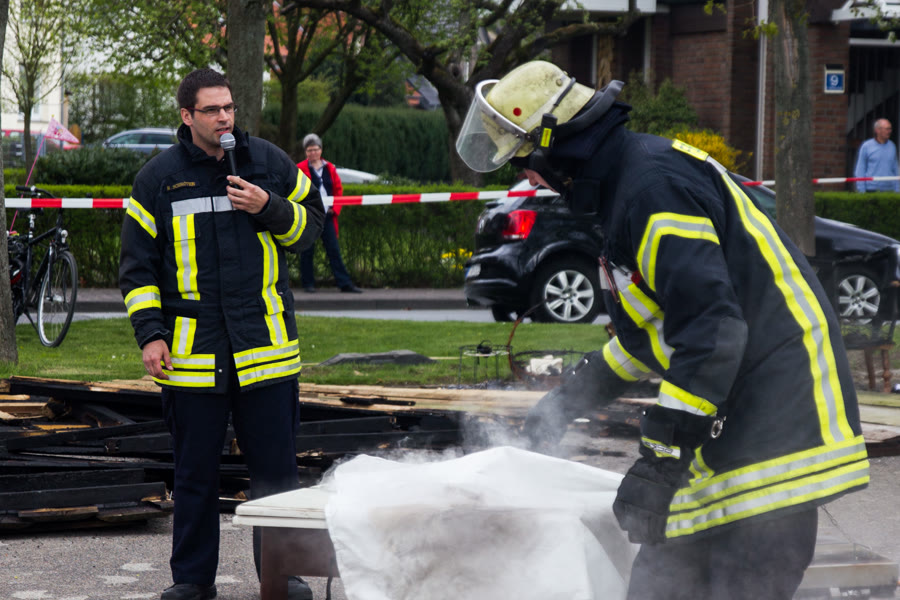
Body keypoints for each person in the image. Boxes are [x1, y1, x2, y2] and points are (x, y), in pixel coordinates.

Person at [456, 60, 870, 600]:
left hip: (775, 428)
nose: (527, 178)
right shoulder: (627, 185)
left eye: (524, 162)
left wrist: (660, 461)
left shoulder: (652, 189)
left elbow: (711, 331)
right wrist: (566, 400)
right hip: (737, 411)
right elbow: (655, 331)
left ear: (555, 146)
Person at [119, 68, 325, 600]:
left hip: (266, 349)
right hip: (193, 354)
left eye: (229, 107)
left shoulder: (270, 163)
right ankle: (192, 581)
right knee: (194, 474)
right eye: (212, 110)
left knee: (276, 476)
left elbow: (313, 228)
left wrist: (269, 207)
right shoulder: (158, 179)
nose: (225, 118)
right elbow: (138, 269)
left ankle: (282, 576)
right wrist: (150, 334)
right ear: (187, 116)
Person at [297, 133, 363, 293]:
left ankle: (344, 283)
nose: (313, 153)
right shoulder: (300, 168)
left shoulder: (330, 168)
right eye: (309, 150)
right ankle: (308, 283)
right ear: (305, 152)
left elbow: (338, 190)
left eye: (315, 149)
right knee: (307, 250)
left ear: (321, 150)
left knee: (333, 250)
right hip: (309, 216)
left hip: (327, 216)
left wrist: (336, 208)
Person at [854, 118, 900, 192]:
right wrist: (861, 190)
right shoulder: (866, 146)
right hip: (871, 188)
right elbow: (860, 169)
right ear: (877, 130)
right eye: (887, 129)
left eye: (890, 129)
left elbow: (895, 169)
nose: (889, 131)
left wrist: (897, 189)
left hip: (889, 188)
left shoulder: (892, 146)